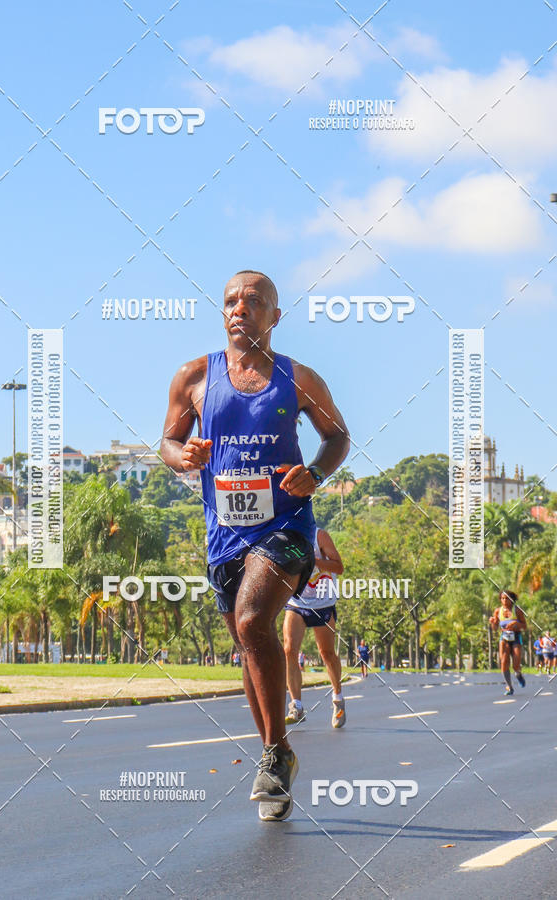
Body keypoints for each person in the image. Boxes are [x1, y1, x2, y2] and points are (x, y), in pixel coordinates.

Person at [161, 270, 349, 821]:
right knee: (250, 648)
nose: (239, 309)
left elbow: (337, 435)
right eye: (230, 302)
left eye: (253, 301)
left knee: (250, 622)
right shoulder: (195, 377)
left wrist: (314, 473)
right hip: (224, 534)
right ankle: (279, 753)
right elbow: (169, 440)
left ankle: (271, 758)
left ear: (274, 316)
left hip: (287, 526)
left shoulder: (298, 379)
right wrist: (183, 457)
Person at [283, 527, 345, 728]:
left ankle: (338, 698)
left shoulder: (320, 536)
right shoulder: (285, 535)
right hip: (297, 602)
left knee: (326, 653)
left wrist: (313, 561)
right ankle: (296, 705)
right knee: (289, 650)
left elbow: (339, 567)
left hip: (322, 603)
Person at [489, 590, 527, 695]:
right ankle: (509, 687)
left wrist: (516, 623)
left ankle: (518, 675)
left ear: (512, 599)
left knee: (515, 664)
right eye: (502, 598)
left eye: (507, 598)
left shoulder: (517, 610)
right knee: (504, 662)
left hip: (516, 637)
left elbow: (524, 626)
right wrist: (493, 623)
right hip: (504, 638)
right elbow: (495, 627)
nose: (505, 600)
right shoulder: (498, 611)